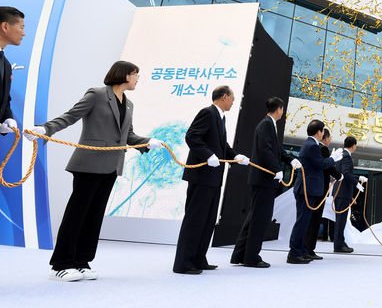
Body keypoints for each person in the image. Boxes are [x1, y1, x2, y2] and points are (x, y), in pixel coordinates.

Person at [24, 61, 162, 281]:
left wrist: (147, 142)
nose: (137, 79)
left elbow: (128, 136)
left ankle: (82, 261)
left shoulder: (129, 104)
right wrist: (44, 129)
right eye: (136, 75)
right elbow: (70, 116)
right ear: (125, 75)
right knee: (76, 215)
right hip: (88, 165)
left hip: (111, 166)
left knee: (94, 216)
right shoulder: (97, 95)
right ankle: (61, 264)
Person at [173, 85, 250, 274]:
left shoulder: (220, 118)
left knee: (207, 221)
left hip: (213, 179)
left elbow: (222, 145)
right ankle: (184, 263)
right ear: (224, 97)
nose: (233, 102)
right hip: (201, 177)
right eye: (231, 98)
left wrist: (235, 157)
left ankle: (199, 258)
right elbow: (192, 136)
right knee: (195, 220)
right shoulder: (207, 113)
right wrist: (208, 155)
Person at [230, 97, 299, 268]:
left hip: (262, 179)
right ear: (279, 109)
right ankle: (251, 257)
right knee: (260, 218)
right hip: (264, 179)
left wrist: (291, 160)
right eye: (283, 109)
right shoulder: (267, 124)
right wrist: (277, 169)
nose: (283, 112)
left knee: (255, 216)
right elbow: (266, 150)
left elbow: (276, 149)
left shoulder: (269, 124)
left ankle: (241, 254)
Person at [287, 119, 341, 264]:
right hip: (306, 189)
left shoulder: (311, 144)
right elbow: (320, 164)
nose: (324, 133)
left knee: (304, 222)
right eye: (323, 131)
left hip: (308, 189)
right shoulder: (311, 146)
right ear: (319, 132)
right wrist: (332, 159)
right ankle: (294, 253)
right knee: (302, 222)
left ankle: (301, 251)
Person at [303, 127, 342, 259]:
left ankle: (307, 248)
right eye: (329, 138)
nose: (330, 141)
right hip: (319, 188)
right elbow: (327, 166)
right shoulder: (322, 148)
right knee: (314, 219)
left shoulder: (316, 147)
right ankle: (308, 249)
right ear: (324, 137)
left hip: (317, 188)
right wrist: (339, 175)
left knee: (313, 219)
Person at [332, 136, 366, 253]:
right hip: (342, 192)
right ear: (354, 145)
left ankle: (340, 242)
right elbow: (345, 173)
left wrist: (358, 177)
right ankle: (338, 245)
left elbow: (343, 173)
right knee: (341, 220)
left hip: (339, 191)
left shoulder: (341, 155)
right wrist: (357, 183)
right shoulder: (346, 157)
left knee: (340, 220)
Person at [0, 7, 25, 137]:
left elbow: (4, 100)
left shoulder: (6, 65)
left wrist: (7, 118)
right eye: (21, 27)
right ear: (5, 26)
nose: (23, 33)